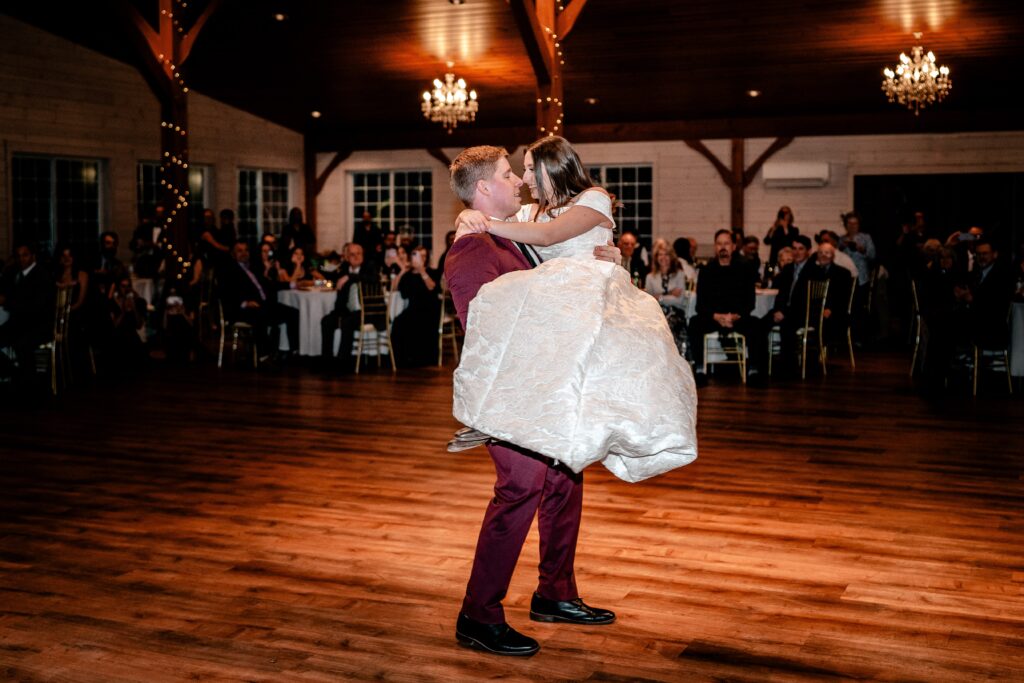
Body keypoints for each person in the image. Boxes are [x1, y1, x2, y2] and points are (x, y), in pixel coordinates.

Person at [444, 143, 634, 658]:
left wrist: (605, 261)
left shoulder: (518, 236)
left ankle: (555, 593)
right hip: (509, 398)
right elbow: (486, 331)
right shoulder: (471, 250)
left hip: (544, 392)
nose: (521, 182)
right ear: (485, 189)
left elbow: (558, 264)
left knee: (563, 482)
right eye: (509, 174)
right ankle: (478, 615)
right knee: (519, 491)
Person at [452, 137, 697, 481]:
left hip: (592, 299)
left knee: (606, 390)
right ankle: (504, 420)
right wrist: (469, 214)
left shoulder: (593, 198)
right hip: (560, 305)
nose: (523, 179)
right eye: (518, 172)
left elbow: (550, 235)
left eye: (528, 169)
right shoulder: (530, 212)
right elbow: (500, 216)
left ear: (550, 167)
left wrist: (485, 223)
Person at [688, 229, 761, 387]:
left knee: (756, 325)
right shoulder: (706, 271)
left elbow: (750, 302)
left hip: (737, 317)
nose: (723, 247)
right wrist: (716, 316)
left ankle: (754, 370)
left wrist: (735, 316)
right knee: (694, 323)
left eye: (726, 243)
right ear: (715, 247)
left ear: (734, 246)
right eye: (719, 243)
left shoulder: (745, 269)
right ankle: (700, 369)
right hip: (714, 317)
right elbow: (701, 304)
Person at [219, 241, 298, 360]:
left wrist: (292, 285)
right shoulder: (229, 270)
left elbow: (269, 284)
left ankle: (293, 350)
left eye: (246, 250)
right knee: (259, 315)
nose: (244, 253)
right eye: (240, 251)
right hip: (241, 309)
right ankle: (264, 354)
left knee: (292, 312)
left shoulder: (252, 268)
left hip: (262, 305)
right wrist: (245, 303)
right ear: (233, 254)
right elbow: (226, 293)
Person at [0, 242, 56, 383]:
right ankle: (15, 373)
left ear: (33, 256)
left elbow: (37, 307)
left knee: (22, 344)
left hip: (39, 325)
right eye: (18, 256)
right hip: (20, 324)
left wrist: (7, 302)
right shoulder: (15, 273)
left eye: (25, 255)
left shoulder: (41, 275)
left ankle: (28, 383)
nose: (21, 259)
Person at [318, 242, 379, 373]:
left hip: (366, 311)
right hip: (345, 310)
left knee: (347, 322)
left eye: (359, 253)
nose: (356, 257)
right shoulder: (343, 268)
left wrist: (349, 276)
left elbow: (373, 279)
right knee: (326, 321)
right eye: (352, 254)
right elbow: (332, 282)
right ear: (346, 257)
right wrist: (317, 282)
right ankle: (326, 360)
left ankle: (343, 362)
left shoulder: (370, 266)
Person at [759, 235, 814, 376]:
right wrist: (778, 310)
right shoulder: (788, 268)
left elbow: (804, 299)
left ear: (808, 250)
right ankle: (762, 365)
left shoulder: (813, 270)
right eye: (794, 249)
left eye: (801, 249)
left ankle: (788, 368)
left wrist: (784, 312)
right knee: (759, 324)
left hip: (803, 312)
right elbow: (781, 293)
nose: (796, 252)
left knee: (787, 326)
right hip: (783, 310)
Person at [390, 245, 441, 367]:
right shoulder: (408, 275)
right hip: (413, 308)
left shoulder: (432, 272)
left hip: (430, 309)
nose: (420, 258)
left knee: (419, 321)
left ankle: (422, 358)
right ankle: (403, 359)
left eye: (423, 256)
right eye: (417, 255)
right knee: (398, 322)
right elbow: (397, 290)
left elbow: (432, 287)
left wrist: (422, 271)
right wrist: (403, 269)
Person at [644, 243, 689, 356]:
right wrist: (669, 294)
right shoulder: (650, 277)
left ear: (671, 257)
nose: (663, 258)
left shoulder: (679, 274)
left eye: (666, 255)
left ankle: (671, 358)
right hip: (656, 312)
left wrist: (659, 297)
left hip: (675, 313)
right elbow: (648, 299)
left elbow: (680, 301)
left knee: (668, 325)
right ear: (656, 257)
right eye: (660, 255)